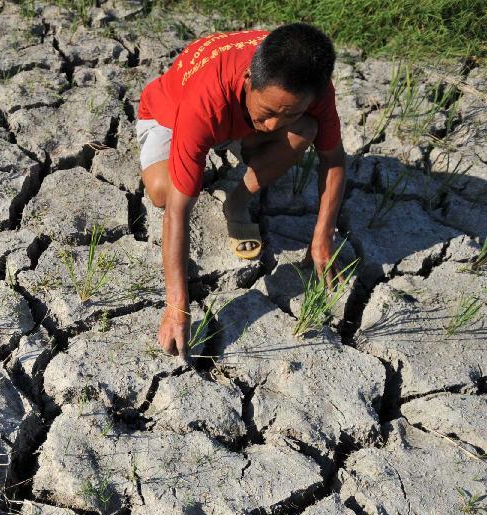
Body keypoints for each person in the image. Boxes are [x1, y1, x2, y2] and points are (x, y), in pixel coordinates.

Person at [136, 23, 346, 357]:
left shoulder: (310, 84)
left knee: (304, 130)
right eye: (268, 112)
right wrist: (177, 307)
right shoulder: (204, 101)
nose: (274, 125)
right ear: (248, 79)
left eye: (288, 113)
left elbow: (334, 159)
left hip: (231, 119)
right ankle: (201, 152)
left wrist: (323, 238)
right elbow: (177, 211)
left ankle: (236, 202)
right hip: (169, 115)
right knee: (164, 193)